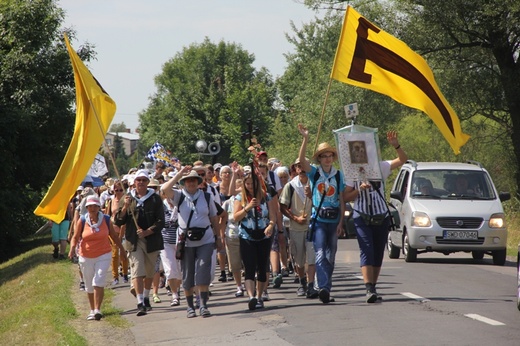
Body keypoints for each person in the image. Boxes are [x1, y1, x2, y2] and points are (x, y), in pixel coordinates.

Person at [343, 130, 408, 303]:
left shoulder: (382, 166)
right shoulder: (352, 172)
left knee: (379, 252)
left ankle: (373, 286)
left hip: (380, 215)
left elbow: (402, 160)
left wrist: (396, 145)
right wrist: (359, 190)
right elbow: (345, 196)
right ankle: (368, 288)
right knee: (367, 250)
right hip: (361, 215)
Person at [160, 166, 221, 318]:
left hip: (206, 239)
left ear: (198, 182)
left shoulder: (206, 197)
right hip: (185, 241)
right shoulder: (179, 196)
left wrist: (218, 237)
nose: (191, 183)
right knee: (187, 274)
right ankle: (190, 306)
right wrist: (179, 174)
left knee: (203, 271)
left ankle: (203, 305)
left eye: (194, 180)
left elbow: (214, 217)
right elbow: (164, 188)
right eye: (188, 180)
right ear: (184, 182)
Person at [297, 123, 346, 304]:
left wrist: (342, 222)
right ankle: (323, 287)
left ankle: (326, 286)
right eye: (323, 156)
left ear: (333, 157)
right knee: (320, 254)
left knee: (331, 255)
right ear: (319, 159)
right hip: (318, 220)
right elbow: (302, 161)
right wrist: (305, 139)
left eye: (329, 156)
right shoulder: (315, 173)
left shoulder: (338, 175)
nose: (327, 159)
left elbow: (341, 199)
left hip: (333, 220)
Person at [114, 170, 165, 316]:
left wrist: (148, 231)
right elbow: (118, 221)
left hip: (152, 240)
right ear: (134, 182)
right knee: (137, 270)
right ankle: (140, 302)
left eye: (143, 180)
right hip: (133, 241)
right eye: (138, 180)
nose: (141, 182)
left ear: (148, 182)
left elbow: (161, 221)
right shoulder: (127, 198)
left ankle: (147, 296)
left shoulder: (155, 199)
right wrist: (124, 208)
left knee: (149, 272)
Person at [68, 195, 125, 320]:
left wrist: (122, 249)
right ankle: (92, 309)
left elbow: (114, 236)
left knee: (98, 280)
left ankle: (98, 309)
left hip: (103, 254)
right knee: (88, 284)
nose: (92, 208)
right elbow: (76, 237)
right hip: (85, 255)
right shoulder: (82, 220)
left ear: (99, 207)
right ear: (86, 208)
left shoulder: (105, 219)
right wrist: (72, 248)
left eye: (95, 206)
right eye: (90, 206)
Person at [233, 171, 277, 310]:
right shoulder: (240, 198)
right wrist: (248, 207)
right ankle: (251, 296)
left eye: (253, 183)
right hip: (247, 236)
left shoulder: (266, 196)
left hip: (263, 236)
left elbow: (272, 215)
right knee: (249, 267)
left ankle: (259, 296)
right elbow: (236, 217)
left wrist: (271, 225)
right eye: (248, 183)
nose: (250, 186)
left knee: (262, 268)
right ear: (244, 185)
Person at [279, 157, 318, 298]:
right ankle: (302, 282)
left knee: (312, 257)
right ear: (295, 169)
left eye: (303, 166)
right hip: (296, 227)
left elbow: (322, 203)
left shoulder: (315, 184)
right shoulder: (290, 186)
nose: (301, 169)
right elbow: (282, 207)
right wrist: (295, 218)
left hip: (312, 226)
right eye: (298, 166)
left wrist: (312, 195)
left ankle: (311, 285)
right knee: (299, 258)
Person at [105, 180, 129, 285]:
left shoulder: (126, 201)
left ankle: (125, 274)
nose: (118, 192)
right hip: (113, 230)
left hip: (124, 230)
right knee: (114, 255)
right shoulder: (111, 201)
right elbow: (107, 215)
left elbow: (125, 218)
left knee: (124, 253)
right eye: (116, 190)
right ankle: (115, 277)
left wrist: (121, 234)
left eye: (120, 190)